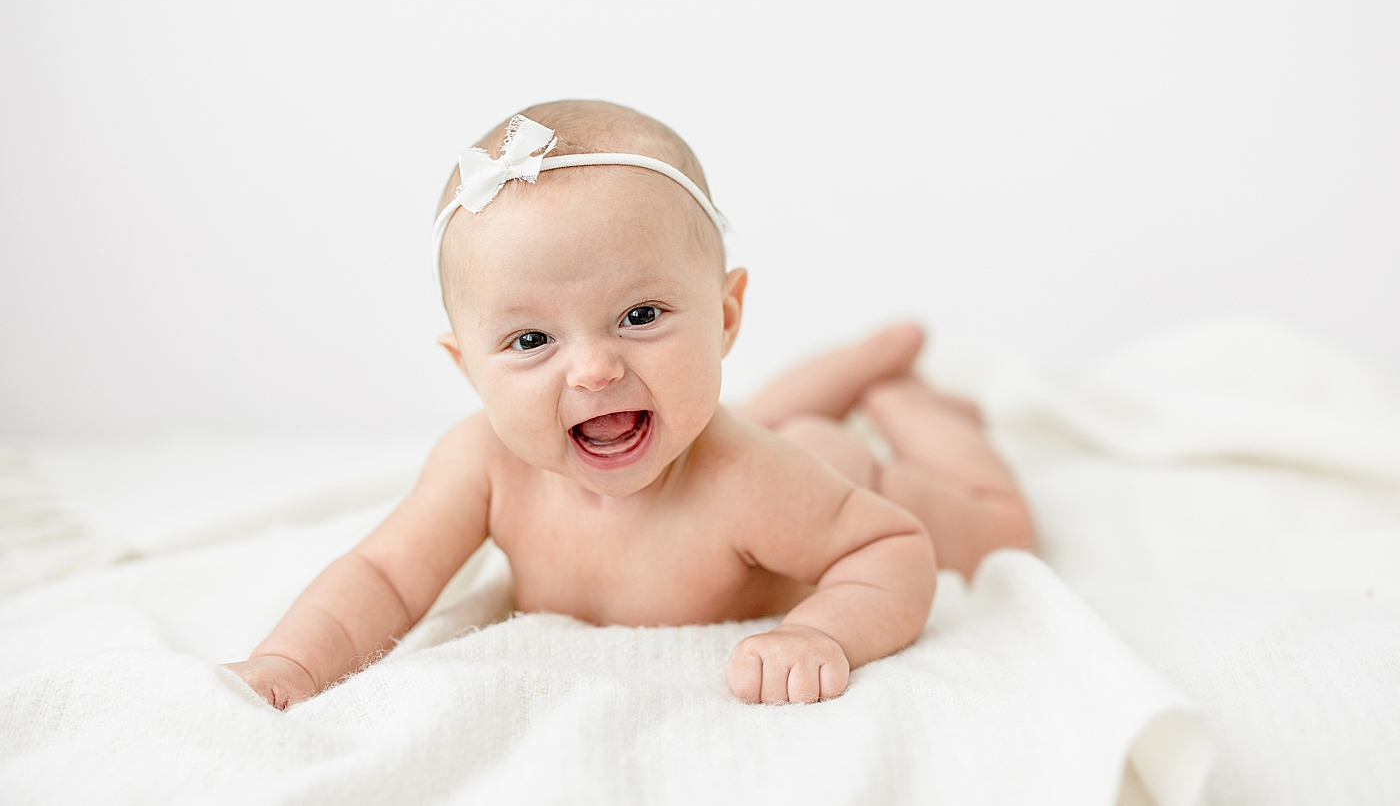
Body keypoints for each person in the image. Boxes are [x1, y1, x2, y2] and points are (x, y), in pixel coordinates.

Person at [225, 101, 1033, 710]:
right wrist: (290, 664)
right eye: (532, 339)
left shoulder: (751, 479)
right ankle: (859, 366)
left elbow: (893, 546)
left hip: (841, 472)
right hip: (764, 434)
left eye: (640, 316)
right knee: (759, 414)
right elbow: (383, 574)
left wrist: (822, 631)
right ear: (468, 368)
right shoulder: (484, 465)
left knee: (1001, 528)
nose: (594, 369)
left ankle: (911, 402)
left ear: (723, 317)